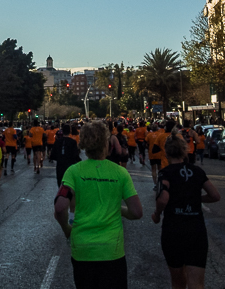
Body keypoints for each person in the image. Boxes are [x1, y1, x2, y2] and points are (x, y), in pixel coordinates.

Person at [54, 121, 142, 289]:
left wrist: (67, 230)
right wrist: (120, 210)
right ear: (106, 143)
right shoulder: (120, 172)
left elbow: (59, 207)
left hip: (82, 250)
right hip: (112, 251)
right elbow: (137, 212)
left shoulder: (73, 171)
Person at [152, 134, 220, 289]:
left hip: (173, 230)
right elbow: (215, 195)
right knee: (196, 283)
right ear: (184, 151)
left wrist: (157, 214)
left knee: (178, 282)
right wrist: (196, 198)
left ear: (167, 152)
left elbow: (163, 198)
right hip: (196, 230)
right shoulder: (197, 171)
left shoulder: (166, 173)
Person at [52, 122, 81, 187]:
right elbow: (75, 155)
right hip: (70, 166)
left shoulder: (58, 141)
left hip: (60, 165)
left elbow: (53, 155)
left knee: (60, 184)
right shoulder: (72, 142)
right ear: (70, 131)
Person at [148, 122, 166, 190]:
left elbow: (146, 143)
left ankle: (155, 184)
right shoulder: (160, 135)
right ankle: (160, 182)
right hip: (160, 154)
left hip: (151, 154)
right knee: (160, 169)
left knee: (153, 169)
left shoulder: (149, 135)